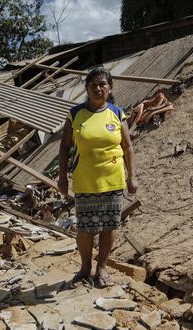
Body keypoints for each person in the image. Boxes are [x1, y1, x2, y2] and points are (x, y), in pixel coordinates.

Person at [58, 67, 138, 288]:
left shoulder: (117, 112)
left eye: (102, 84)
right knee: (85, 229)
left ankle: (102, 267)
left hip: (112, 179)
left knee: (109, 226)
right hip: (85, 181)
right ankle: (85, 268)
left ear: (109, 88)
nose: (98, 88)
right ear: (87, 89)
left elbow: (128, 147)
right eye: (93, 85)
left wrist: (132, 176)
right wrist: (62, 178)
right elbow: (64, 148)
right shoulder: (75, 114)